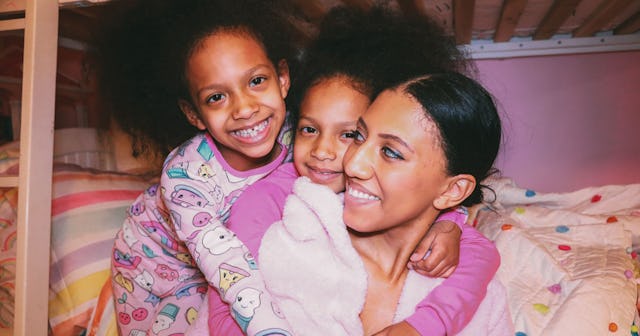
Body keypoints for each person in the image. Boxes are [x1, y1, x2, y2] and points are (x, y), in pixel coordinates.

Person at [208, 6, 502, 336]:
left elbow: (482, 252)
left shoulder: (396, 203)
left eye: (349, 135)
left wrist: (450, 223)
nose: (345, 159)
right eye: (309, 130)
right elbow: (232, 290)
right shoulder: (268, 202)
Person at [258, 72, 513, 335]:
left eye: (391, 152)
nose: (353, 164)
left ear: (452, 190)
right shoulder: (291, 244)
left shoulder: (480, 300)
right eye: (358, 136)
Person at [108, 0, 299, 335]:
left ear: (282, 78)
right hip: (158, 267)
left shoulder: (298, 133)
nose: (244, 108)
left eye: (256, 81)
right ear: (194, 114)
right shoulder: (186, 176)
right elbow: (231, 269)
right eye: (216, 98)